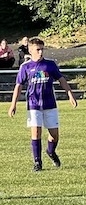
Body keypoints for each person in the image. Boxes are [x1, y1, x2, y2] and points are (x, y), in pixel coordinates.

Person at [7, 37, 79, 171]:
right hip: (33, 104)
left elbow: (61, 80)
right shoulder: (25, 67)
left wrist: (70, 94)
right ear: (30, 50)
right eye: (37, 50)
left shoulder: (50, 65)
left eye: (42, 49)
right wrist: (13, 104)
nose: (40, 52)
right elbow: (18, 86)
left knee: (54, 135)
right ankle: (37, 162)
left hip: (50, 104)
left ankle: (51, 151)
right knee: (36, 132)